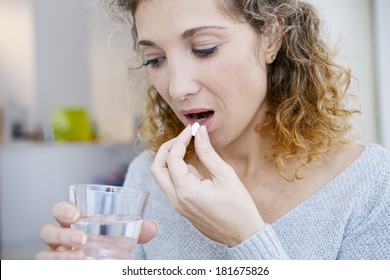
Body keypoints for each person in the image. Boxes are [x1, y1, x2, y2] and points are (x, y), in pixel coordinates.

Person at [36, 0, 390, 260]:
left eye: (204, 49)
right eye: (155, 59)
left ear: (271, 36)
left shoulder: (369, 186)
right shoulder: (148, 177)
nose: (177, 88)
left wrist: (245, 237)